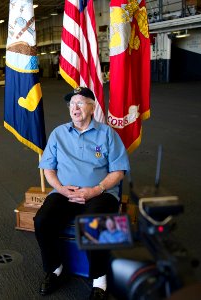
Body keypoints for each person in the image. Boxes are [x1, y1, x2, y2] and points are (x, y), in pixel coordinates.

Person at [33, 87, 130, 300]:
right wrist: (60, 188)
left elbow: (118, 171)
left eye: (80, 103)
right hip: (65, 192)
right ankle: (55, 268)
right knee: (42, 220)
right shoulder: (59, 133)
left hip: (100, 192)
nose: (74, 108)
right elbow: (48, 168)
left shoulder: (107, 134)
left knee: (94, 222)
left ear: (92, 107)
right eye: (71, 104)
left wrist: (95, 189)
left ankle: (99, 279)